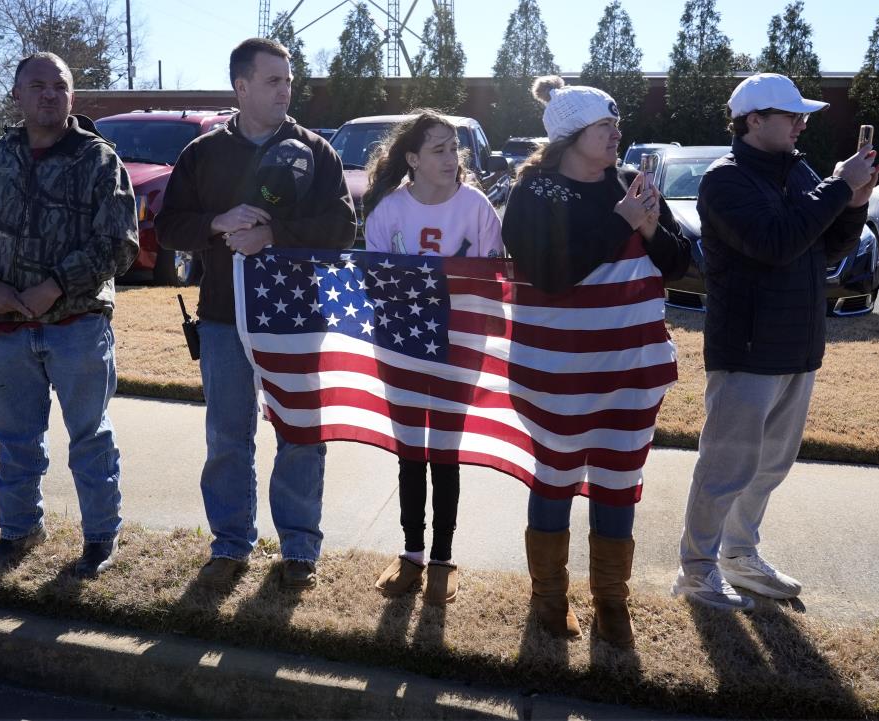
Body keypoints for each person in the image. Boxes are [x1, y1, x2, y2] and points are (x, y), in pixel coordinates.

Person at [672, 73, 879, 611]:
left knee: (770, 465)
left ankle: (740, 555)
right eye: (791, 116)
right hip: (746, 347)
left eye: (802, 116)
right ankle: (696, 570)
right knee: (727, 467)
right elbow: (775, 242)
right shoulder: (725, 180)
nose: (801, 124)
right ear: (753, 121)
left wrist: (853, 201)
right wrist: (836, 187)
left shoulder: (796, 170)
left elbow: (829, 246)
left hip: (797, 343)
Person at [155, 38, 356, 590]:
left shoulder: (317, 151)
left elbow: (342, 231)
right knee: (227, 436)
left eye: (288, 80)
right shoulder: (203, 155)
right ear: (241, 87)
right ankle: (230, 545)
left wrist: (274, 236)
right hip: (223, 317)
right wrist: (218, 224)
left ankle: (298, 549)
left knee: (300, 435)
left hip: (296, 319)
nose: (285, 90)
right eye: (273, 81)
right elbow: (168, 228)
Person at [501, 76, 691, 647]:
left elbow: (680, 265)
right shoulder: (533, 192)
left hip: (631, 367)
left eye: (616, 124)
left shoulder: (635, 186)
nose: (616, 134)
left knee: (617, 479)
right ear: (571, 135)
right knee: (556, 477)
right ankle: (549, 598)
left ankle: (612, 599)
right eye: (604, 126)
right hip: (555, 370)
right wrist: (623, 221)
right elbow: (552, 275)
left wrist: (653, 227)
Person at [0, 52, 139, 577]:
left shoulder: (98, 160)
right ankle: (18, 530)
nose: (49, 94)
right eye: (37, 85)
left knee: (90, 435)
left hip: (77, 326)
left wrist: (56, 286)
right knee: (14, 438)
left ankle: (99, 537)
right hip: (4, 329)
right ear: (18, 94)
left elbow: (118, 244)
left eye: (60, 85)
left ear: (72, 96)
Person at [362, 110, 504, 605]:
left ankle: (443, 558)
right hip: (401, 345)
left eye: (454, 148)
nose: (450, 158)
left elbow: (492, 285)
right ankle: (411, 553)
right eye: (439, 150)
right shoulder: (388, 212)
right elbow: (373, 284)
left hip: (459, 348)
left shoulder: (477, 208)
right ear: (413, 159)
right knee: (409, 451)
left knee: (444, 450)